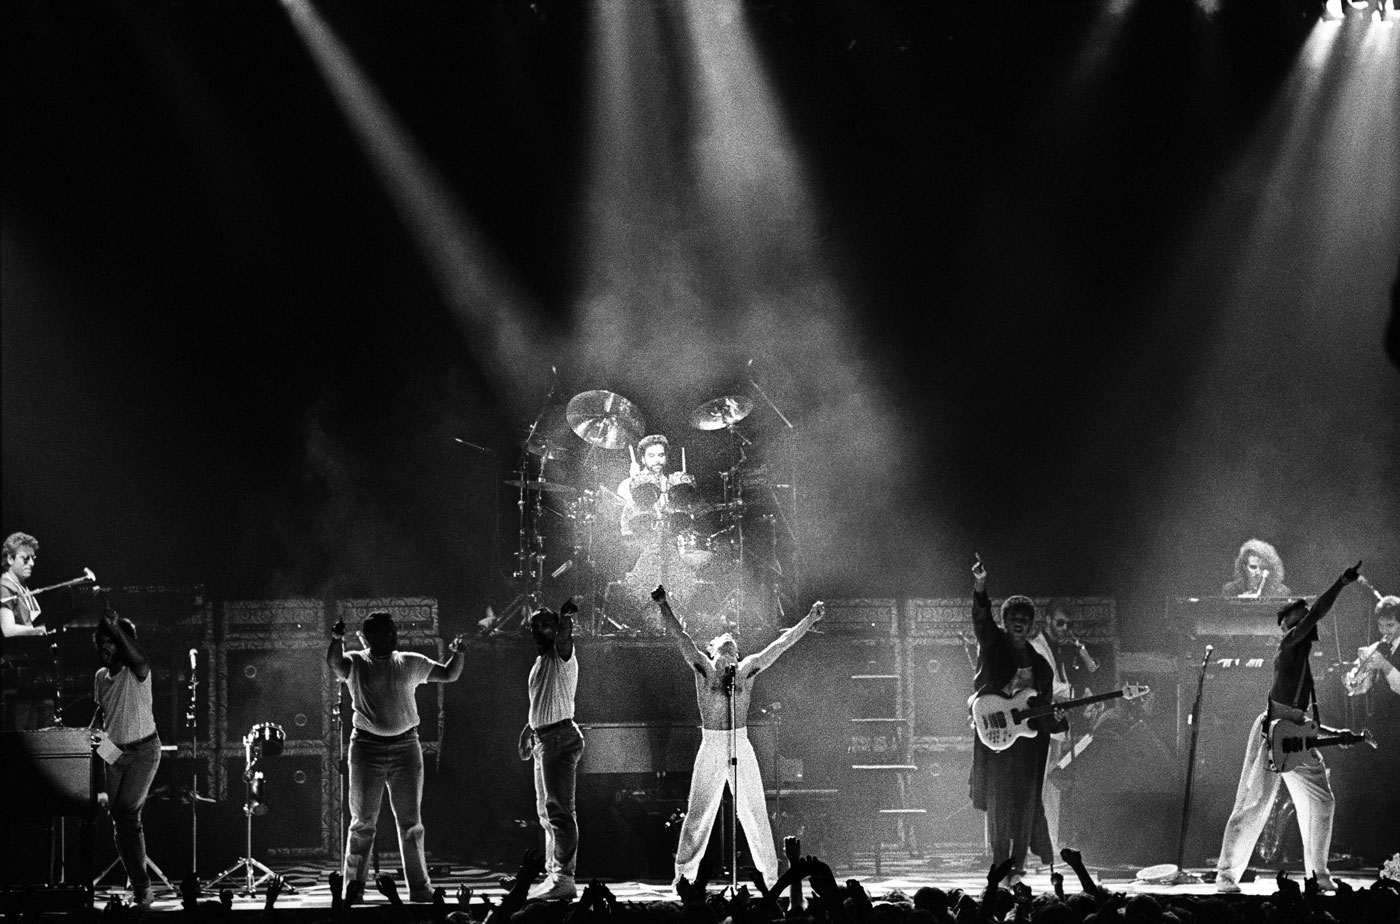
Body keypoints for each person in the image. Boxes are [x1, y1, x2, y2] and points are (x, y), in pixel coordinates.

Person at [650, 584, 825, 892]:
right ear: (713, 650)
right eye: (725, 644)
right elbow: (681, 637)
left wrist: (809, 619)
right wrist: (664, 605)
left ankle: (771, 879)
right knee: (699, 813)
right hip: (712, 743)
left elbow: (781, 644)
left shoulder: (746, 670)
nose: (730, 645)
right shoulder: (703, 669)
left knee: (754, 812)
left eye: (733, 645)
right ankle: (684, 878)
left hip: (740, 743)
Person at [1214, 561, 1362, 893]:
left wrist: (1334, 735)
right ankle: (1225, 875)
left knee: (1322, 801)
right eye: (1300, 617)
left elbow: (1302, 721)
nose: (1307, 618)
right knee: (1254, 803)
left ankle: (1318, 875)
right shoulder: (1289, 645)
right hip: (1272, 733)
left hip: (1294, 734)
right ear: (1288, 627)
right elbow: (1317, 612)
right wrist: (1340, 582)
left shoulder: (1305, 662)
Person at [327, 612, 466, 904]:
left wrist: (459, 654)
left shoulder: (410, 662)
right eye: (385, 632)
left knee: (411, 824)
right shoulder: (356, 662)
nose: (392, 637)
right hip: (366, 750)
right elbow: (335, 663)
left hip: (406, 749)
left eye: (393, 631)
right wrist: (337, 639)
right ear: (369, 637)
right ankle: (353, 888)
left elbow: (449, 674)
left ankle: (420, 889)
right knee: (362, 824)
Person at [968, 556, 1057, 888]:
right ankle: (999, 866)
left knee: (1026, 804)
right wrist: (980, 585)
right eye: (1013, 618)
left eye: (1024, 619)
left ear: (1032, 625)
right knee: (999, 804)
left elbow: (1044, 708)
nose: (1019, 622)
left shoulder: (1041, 667)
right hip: (998, 741)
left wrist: (1055, 718)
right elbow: (981, 620)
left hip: (1028, 745)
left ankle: (1018, 867)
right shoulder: (994, 645)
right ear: (1005, 622)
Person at [93, 605, 161, 907]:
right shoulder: (100, 677)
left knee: (127, 815)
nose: (104, 648)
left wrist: (115, 629)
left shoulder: (137, 672)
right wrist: (92, 735)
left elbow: (141, 658)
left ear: (122, 643)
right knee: (119, 820)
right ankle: (139, 884)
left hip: (143, 750)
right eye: (101, 642)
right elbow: (103, 713)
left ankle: (143, 888)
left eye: (110, 642)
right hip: (113, 752)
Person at [519, 599, 584, 901]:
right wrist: (529, 729)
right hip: (544, 739)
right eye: (535, 625)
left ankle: (564, 877)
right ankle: (552, 875)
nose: (538, 630)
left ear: (556, 629)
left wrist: (564, 616)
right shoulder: (541, 663)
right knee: (546, 813)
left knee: (560, 812)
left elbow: (566, 636)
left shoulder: (560, 654)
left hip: (559, 738)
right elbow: (544, 701)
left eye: (545, 625)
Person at [1028, 600, 1099, 857]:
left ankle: (1050, 843)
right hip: (1040, 727)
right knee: (1040, 787)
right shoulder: (1036, 648)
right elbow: (1043, 685)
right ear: (1047, 620)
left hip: (1055, 725)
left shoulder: (1058, 649)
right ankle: (1038, 845)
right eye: (1060, 623)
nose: (1064, 628)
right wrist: (1075, 692)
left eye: (1068, 624)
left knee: (1052, 786)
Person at [2, 532, 52, 638]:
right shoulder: (4, 588)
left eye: (33, 558)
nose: (32, 563)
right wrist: (40, 630)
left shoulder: (24, 588)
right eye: (25, 558)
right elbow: (8, 630)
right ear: (10, 559)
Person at [1222, 539, 1292, 598]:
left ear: (1270, 569)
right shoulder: (1230, 591)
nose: (1258, 572)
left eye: (1263, 568)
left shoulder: (1282, 593)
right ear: (1244, 567)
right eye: (1253, 567)